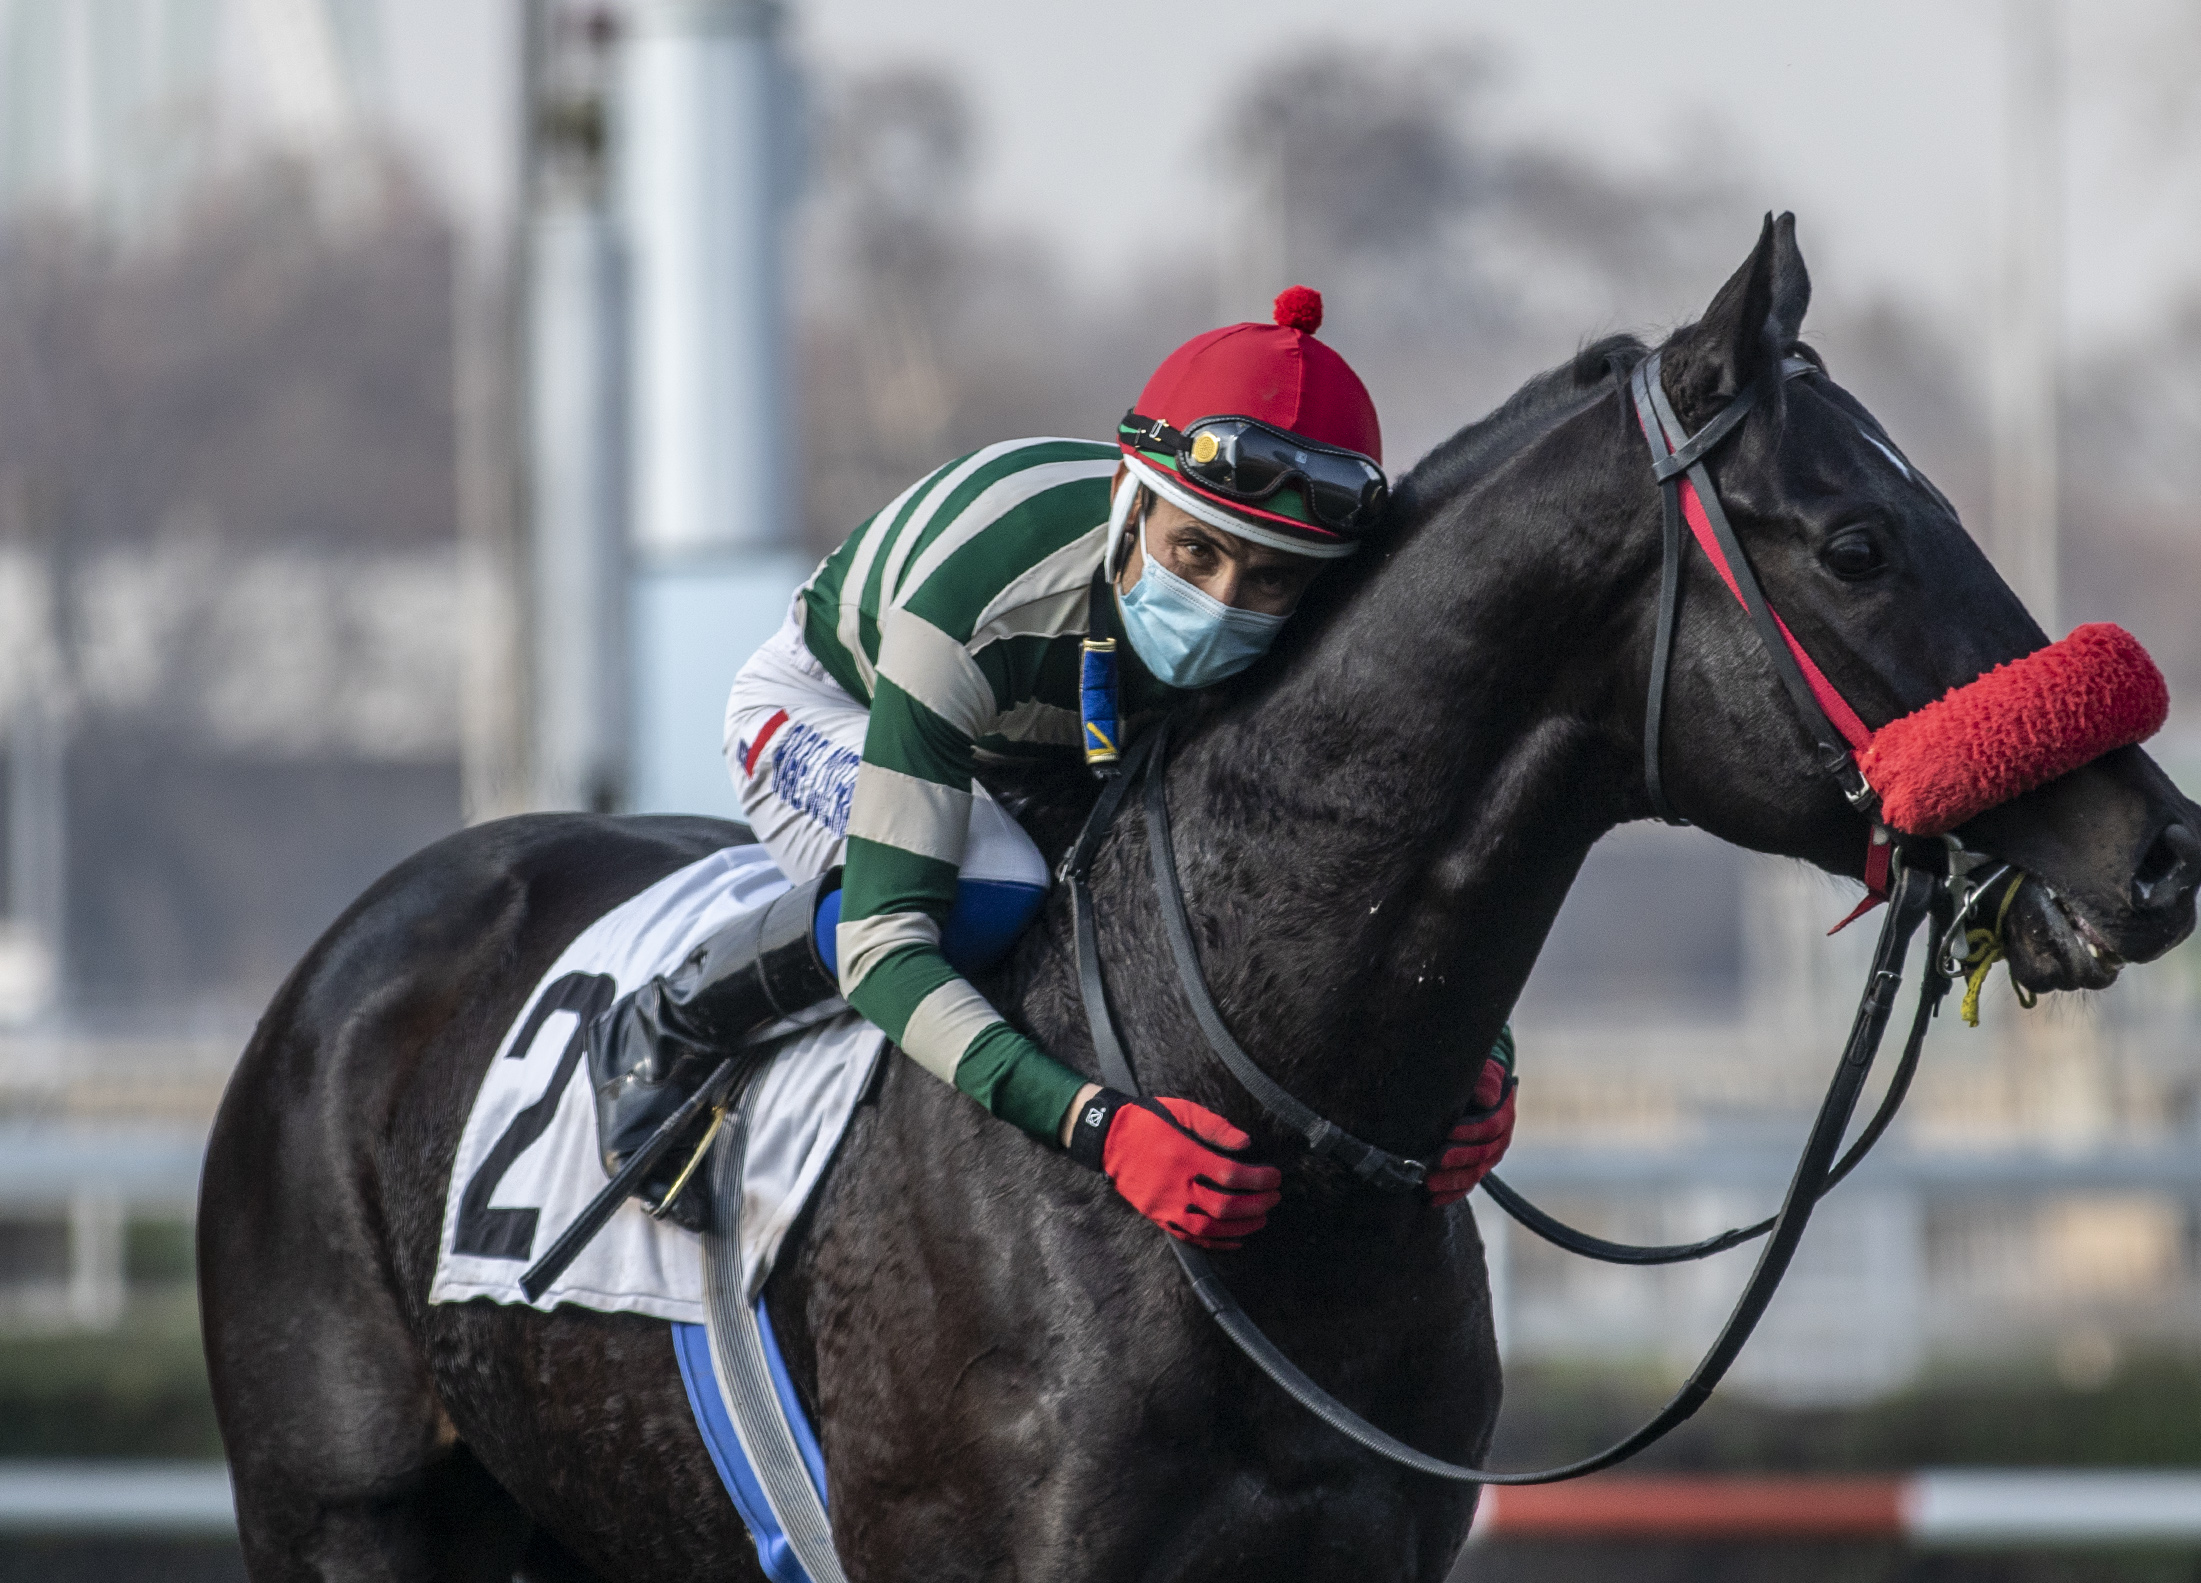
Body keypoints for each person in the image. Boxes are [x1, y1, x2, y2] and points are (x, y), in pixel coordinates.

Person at [585, 287, 1517, 1241]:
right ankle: (676, 1016)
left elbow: (1371, 865)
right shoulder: (981, 599)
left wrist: (1483, 1050)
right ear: (1129, 499)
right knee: (990, 885)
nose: (1224, 603)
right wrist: (1101, 1130)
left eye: (1272, 577)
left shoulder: (1303, 624)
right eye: (1196, 551)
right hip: (835, 701)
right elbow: (885, 946)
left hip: (1045, 733)